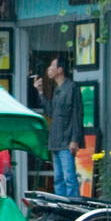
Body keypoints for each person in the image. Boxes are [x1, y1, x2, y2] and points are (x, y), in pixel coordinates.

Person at [32, 56, 84, 198]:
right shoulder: (58, 90)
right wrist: (41, 92)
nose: (49, 69)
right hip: (56, 140)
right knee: (59, 178)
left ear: (60, 70)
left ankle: (73, 209)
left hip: (66, 140)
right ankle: (60, 209)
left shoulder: (71, 87)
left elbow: (77, 115)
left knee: (69, 178)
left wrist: (74, 140)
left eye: (52, 66)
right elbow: (50, 112)